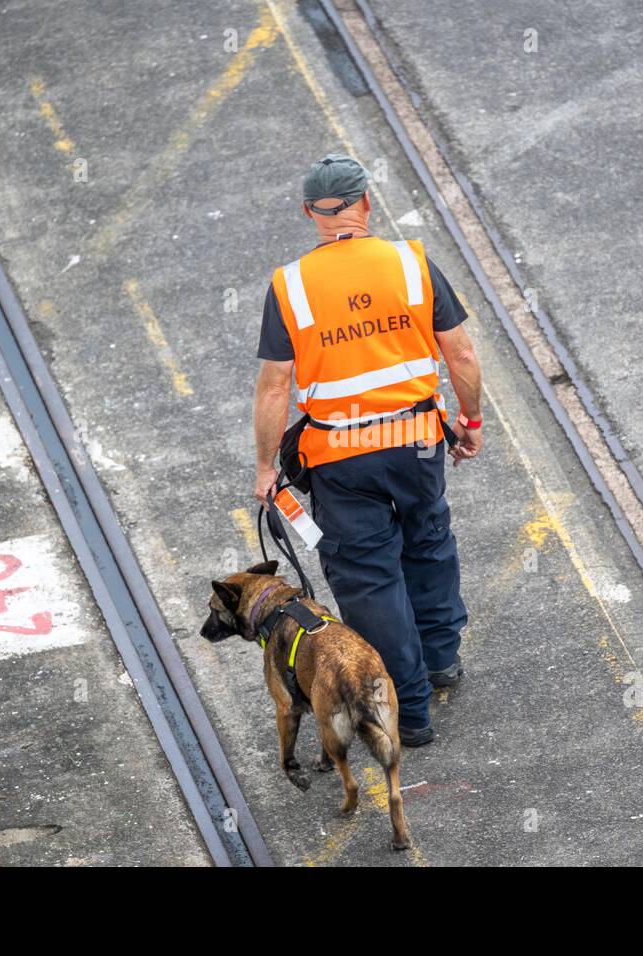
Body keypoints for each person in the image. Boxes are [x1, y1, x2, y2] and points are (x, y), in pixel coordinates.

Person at [252, 154, 484, 746]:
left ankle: (408, 712)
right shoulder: (411, 262)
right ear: (367, 202)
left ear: (310, 213)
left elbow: (276, 384)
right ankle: (441, 660)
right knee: (428, 540)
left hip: (341, 459)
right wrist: (470, 420)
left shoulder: (290, 286)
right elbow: (459, 353)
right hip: (416, 445)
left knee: (368, 577)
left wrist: (264, 467)